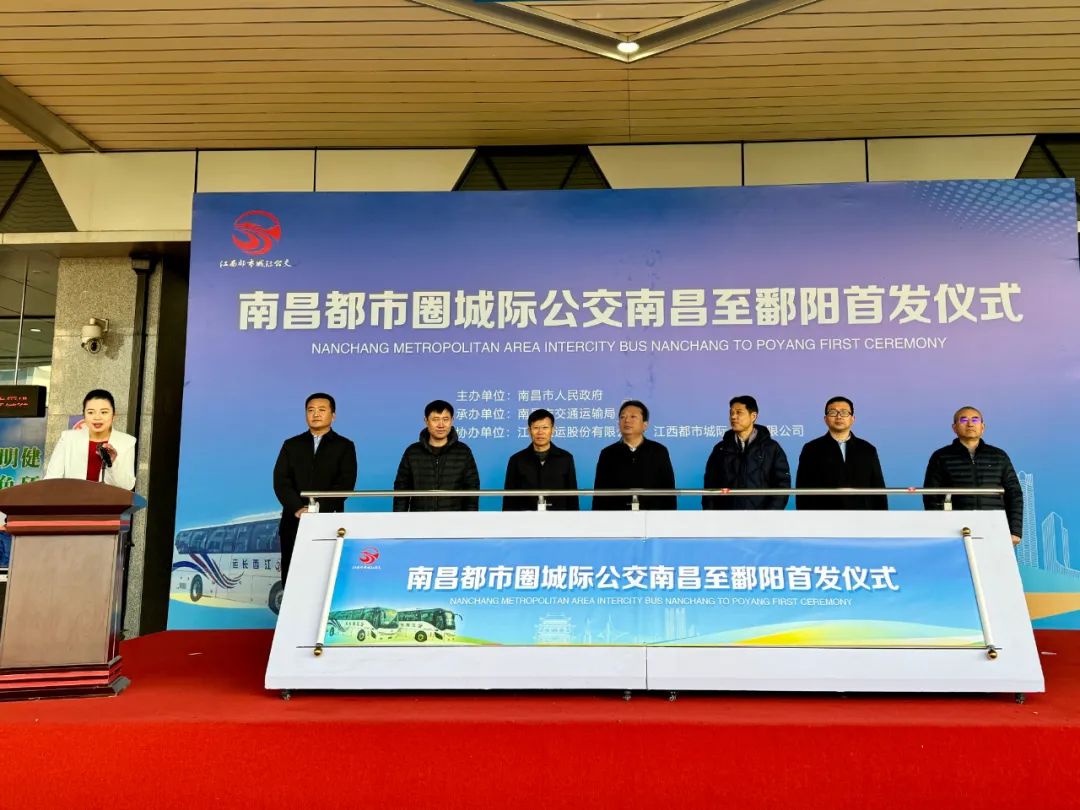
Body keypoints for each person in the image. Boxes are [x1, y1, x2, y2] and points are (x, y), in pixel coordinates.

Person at [273, 393, 357, 583]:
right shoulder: (291, 445)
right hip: (294, 520)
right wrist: (298, 508)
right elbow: (281, 481)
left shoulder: (344, 446)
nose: (316, 414)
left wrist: (317, 508)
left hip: (329, 518)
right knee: (293, 575)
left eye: (321, 410)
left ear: (333, 415)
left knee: (326, 575)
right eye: (311, 410)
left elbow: (345, 484)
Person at [923, 406, 1022, 545]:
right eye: (963, 420)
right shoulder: (941, 457)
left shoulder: (999, 456)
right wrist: (940, 528)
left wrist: (1015, 531)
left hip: (995, 525)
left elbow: (1014, 494)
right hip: (955, 529)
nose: (970, 424)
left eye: (975, 420)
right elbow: (931, 496)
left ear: (983, 427)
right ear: (954, 428)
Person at [795, 396, 887, 510]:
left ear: (852, 418)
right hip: (824, 515)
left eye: (844, 412)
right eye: (833, 412)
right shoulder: (811, 449)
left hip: (861, 515)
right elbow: (803, 489)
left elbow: (878, 488)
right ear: (825, 419)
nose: (839, 416)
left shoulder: (867, 449)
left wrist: (883, 516)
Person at [703, 395, 790, 510]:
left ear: (753, 416)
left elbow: (782, 484)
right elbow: (710, 485)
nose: (733, 417)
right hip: (726, 518)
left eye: (739, 412)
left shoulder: (771, 448)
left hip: (761, 518)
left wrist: (769, 514)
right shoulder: (720, 448)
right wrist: (711, 514)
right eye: (731, 413)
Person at [393, 399, 480, 511]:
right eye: (435, 419)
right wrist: (399, 518)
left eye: (445, 419)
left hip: (454, 518)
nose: (441, 425)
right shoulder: (412, 452)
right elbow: (401, 491)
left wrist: (470, 518)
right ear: (426, 421)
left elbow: (472, 490)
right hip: (420, 518)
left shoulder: (463, 452)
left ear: (452, 420)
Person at [44, 389, 136, 490]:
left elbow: (127, 486)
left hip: (108, 500)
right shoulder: (68, 439)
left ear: (113, 415)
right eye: (91, 412)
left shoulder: (127, 442)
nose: (97, 417)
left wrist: (112, 464)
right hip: (73, 498)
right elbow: (51, 479)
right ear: (84, 415)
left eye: (104, 412)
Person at [593, 400, 676, 510]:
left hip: (652, 517)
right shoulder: (607, 453)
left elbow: (669, 492)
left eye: (633, 417)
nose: (627, 420)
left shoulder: (659, 451)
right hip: (616, 516)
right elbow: (599, 494)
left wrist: (669, 517)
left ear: (645, 425)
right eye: (622, 417)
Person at [503, 408, 579, 511]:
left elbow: (572, 496)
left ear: (553, 430)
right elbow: (509, 498)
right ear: (529, 431)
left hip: (559, 518)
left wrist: (574, 519)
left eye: (545, 427)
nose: (540, 432)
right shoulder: (516, 460)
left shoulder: (566, 458)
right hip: (525, 518)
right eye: (536, 428)